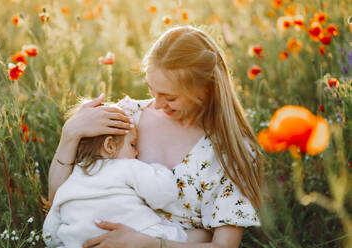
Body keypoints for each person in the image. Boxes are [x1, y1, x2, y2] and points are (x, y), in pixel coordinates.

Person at [48, 25, 264, 248]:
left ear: (205, 89)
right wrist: (70, 135)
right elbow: (62, 200)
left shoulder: (230, 152)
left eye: (170, 97)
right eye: (152, 89)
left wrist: (147, 243)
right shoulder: (125, 119)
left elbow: (224, 246)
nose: (157, 104)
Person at [43, 115, 188, 248]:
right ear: (110, 146)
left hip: (82, 243)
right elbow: (162, 195)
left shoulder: (70, 179)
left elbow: (50, 232)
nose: (137, 152)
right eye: (132, 145)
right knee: (186, 235)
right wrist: (158, 169)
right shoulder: (127, 166)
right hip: (131, 236)